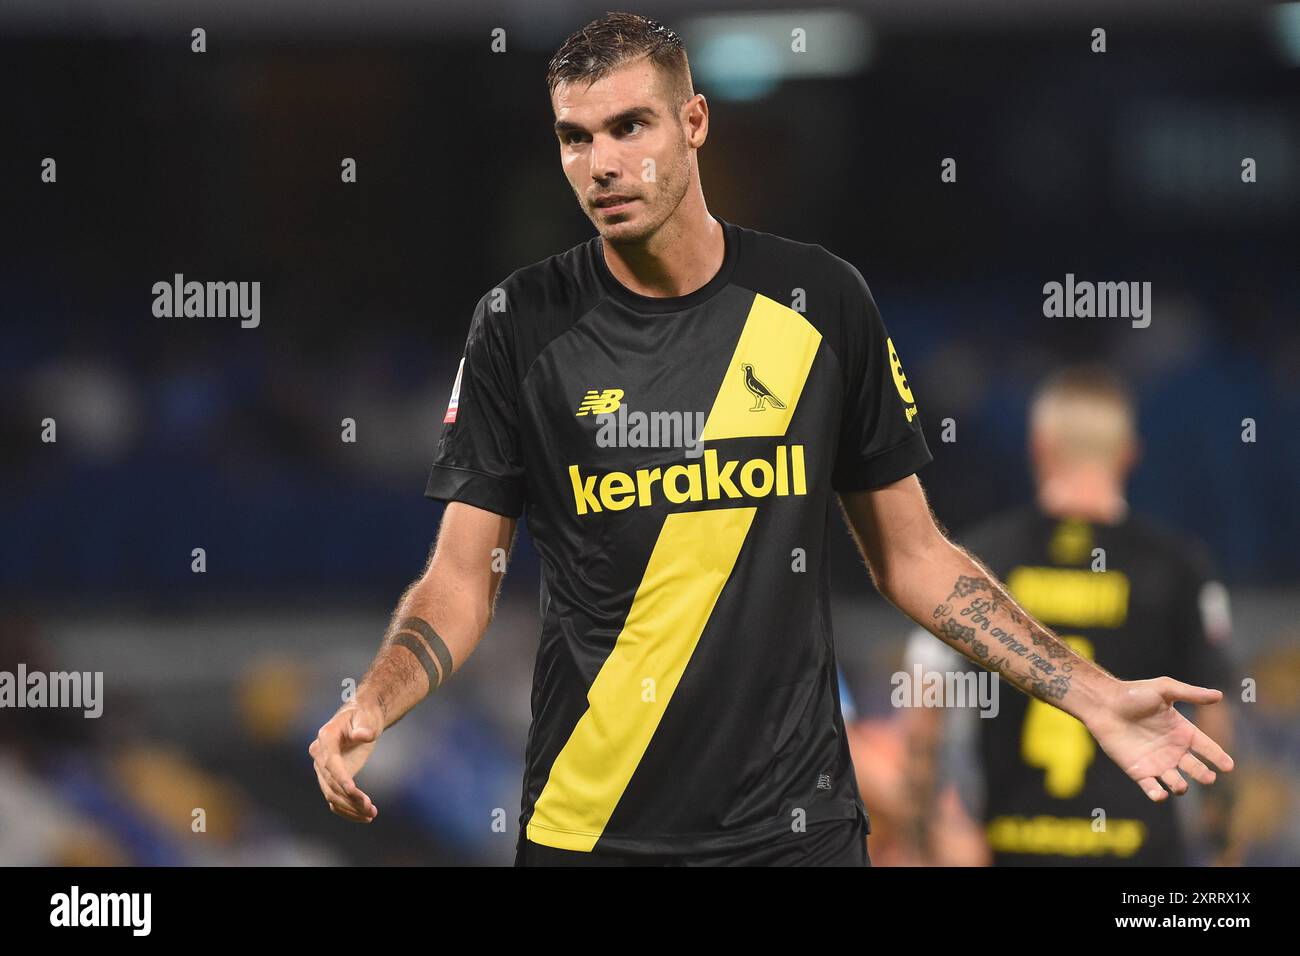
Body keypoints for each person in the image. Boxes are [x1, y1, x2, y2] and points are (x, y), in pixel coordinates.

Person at [309, 12, 1233, 867]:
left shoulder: (819, 302)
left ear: (695, 123)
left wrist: (1093, 692)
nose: (601, 163)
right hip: (591, 828)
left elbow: (914, 558)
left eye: (631, 126)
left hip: (798, 830)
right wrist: (378, 698)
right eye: (574, 137)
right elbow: (464, 578)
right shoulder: (516, 325)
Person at [899, 366, 1236, 866]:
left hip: (1014, 846)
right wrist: (1224, 842)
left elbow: (925, 707)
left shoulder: (976, 563)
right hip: (1141, 857)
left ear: (1038, 446)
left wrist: (922, 839)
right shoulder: (1177, 568)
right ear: (1129, 453)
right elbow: (1215, 715)